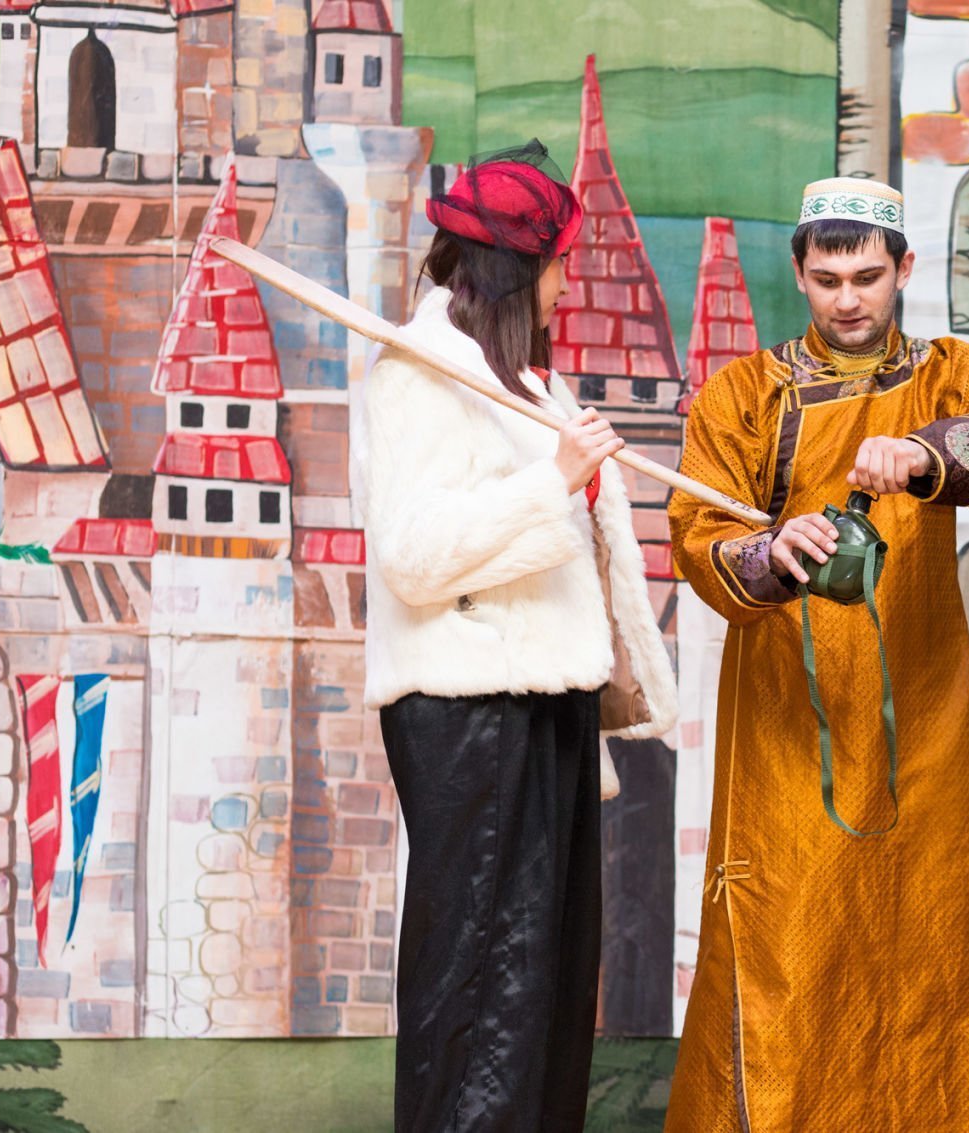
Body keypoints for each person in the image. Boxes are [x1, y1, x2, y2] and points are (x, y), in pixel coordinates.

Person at [664, 177, 969, 1130]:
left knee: (935, 948)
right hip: (788, 730)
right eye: (828, 279)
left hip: (923, 719)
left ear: (904, 269)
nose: (847, 299)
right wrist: (772, 549)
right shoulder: (744, 395)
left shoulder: (947, 375)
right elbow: (698, 535)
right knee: (789, 953)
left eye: (868, 278)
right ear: (799, 272)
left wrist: (924, 453)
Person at [351, 142, 677, 1133]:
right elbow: (414, 557)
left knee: (543, 991)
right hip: (472, 714)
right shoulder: (414, 378)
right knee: (483, 993)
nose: (567, 285)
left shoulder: (524, 384)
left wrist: (562, 465)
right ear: (515, 269)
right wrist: (553, 479)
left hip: (541, 708)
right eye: (557, 264)